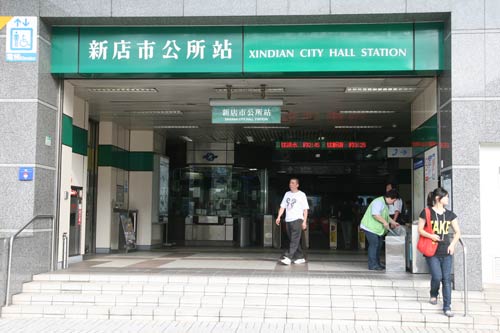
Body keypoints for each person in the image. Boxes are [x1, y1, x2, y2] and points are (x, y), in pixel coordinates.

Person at [418, 187, 461, 317]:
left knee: (446, 279)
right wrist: (431, 236)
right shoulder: (426, 212)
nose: (448, 199)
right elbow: (420, 229)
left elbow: (458, 232)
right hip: (432, 250)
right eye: (446, 196)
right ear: (438, 198)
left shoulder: (450, 214)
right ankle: (433, 293)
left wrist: (453, 245)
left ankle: (447, 307)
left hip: (446, 250)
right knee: (437, 276)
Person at [360, 189, 400, 270]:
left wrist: (393, 222)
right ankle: (372, 265)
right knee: (374, 245)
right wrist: (385, 222)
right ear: (391, 198)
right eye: (394, 201)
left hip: (376, 229)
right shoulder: (378, 202)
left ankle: (377, 263)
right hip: (370, 227)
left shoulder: (384, 204)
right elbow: (375, 215)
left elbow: (386, 217)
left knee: (379, 245)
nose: (393, 203)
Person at [275, 178, 309, 265]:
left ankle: (288, 257)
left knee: (294, 240)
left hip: (297, 219)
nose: (291, 184)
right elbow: (282, 206)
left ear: (297, 185)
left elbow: (305, 209)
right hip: (288, 220)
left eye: (293, 183)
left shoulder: (302, 195)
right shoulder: (287, 194)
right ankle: (301, 257)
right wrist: (279, 217)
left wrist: (304, 221)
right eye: (290, 183)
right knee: (293, 239)